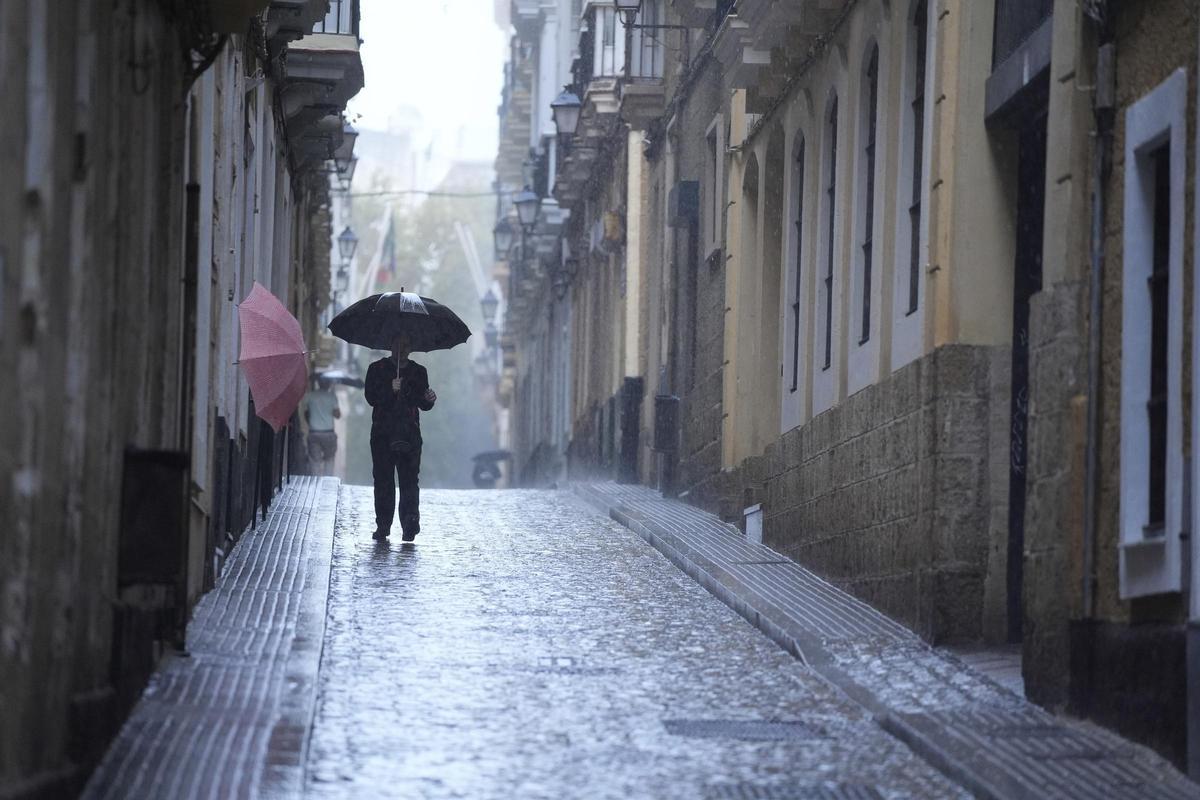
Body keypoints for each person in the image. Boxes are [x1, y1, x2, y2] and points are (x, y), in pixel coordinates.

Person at [365, 334, 437, 541]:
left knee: (409, 481)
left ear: (411, 347)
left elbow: (422, 403)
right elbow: (371, 397)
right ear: (390, 345)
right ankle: (383, 525)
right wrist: (390, 389)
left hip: (410, 433)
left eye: (405, 344)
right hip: (382, 434)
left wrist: (429, 399)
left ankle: (410, 523)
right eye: (397, 344)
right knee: (383, 481)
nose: (401, 348)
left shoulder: (418, 372)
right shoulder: (376, 369)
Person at [302, 376, 341, 476]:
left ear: (318, 383)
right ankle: (328, 482)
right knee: (329, 460)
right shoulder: (332, 396)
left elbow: (306, 413)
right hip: (329, 433)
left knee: (315, 461)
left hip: (314, 433)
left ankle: (316, 482)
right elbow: (338, 415)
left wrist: (311, 422)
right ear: (328, 384)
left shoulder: (310, 396)